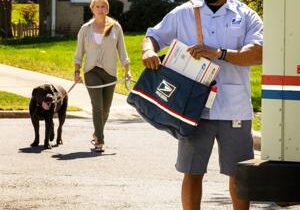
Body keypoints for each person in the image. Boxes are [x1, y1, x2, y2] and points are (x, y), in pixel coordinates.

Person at [141, 0, 263, 209]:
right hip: (193, 109)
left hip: (235, 108)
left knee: (239, 175)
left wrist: (218, 53)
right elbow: (153, 36)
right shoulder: (184, 12)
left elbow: (257, 54)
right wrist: (148, 51)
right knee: (192, 171)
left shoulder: (246, 15)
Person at [74, 0, 131, 152]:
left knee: (106, 109)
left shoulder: (115, 27)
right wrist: (77, 71)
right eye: (97, 6)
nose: (100, 9)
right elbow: (79, 52)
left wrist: (127, 70)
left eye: (103, 6)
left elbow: (122, 51)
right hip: (91, 71)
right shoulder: (85, 29)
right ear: (92, 9)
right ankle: (100, 140)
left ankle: (96, 131)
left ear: (107, 9)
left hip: (110, 73)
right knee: (97, 106)